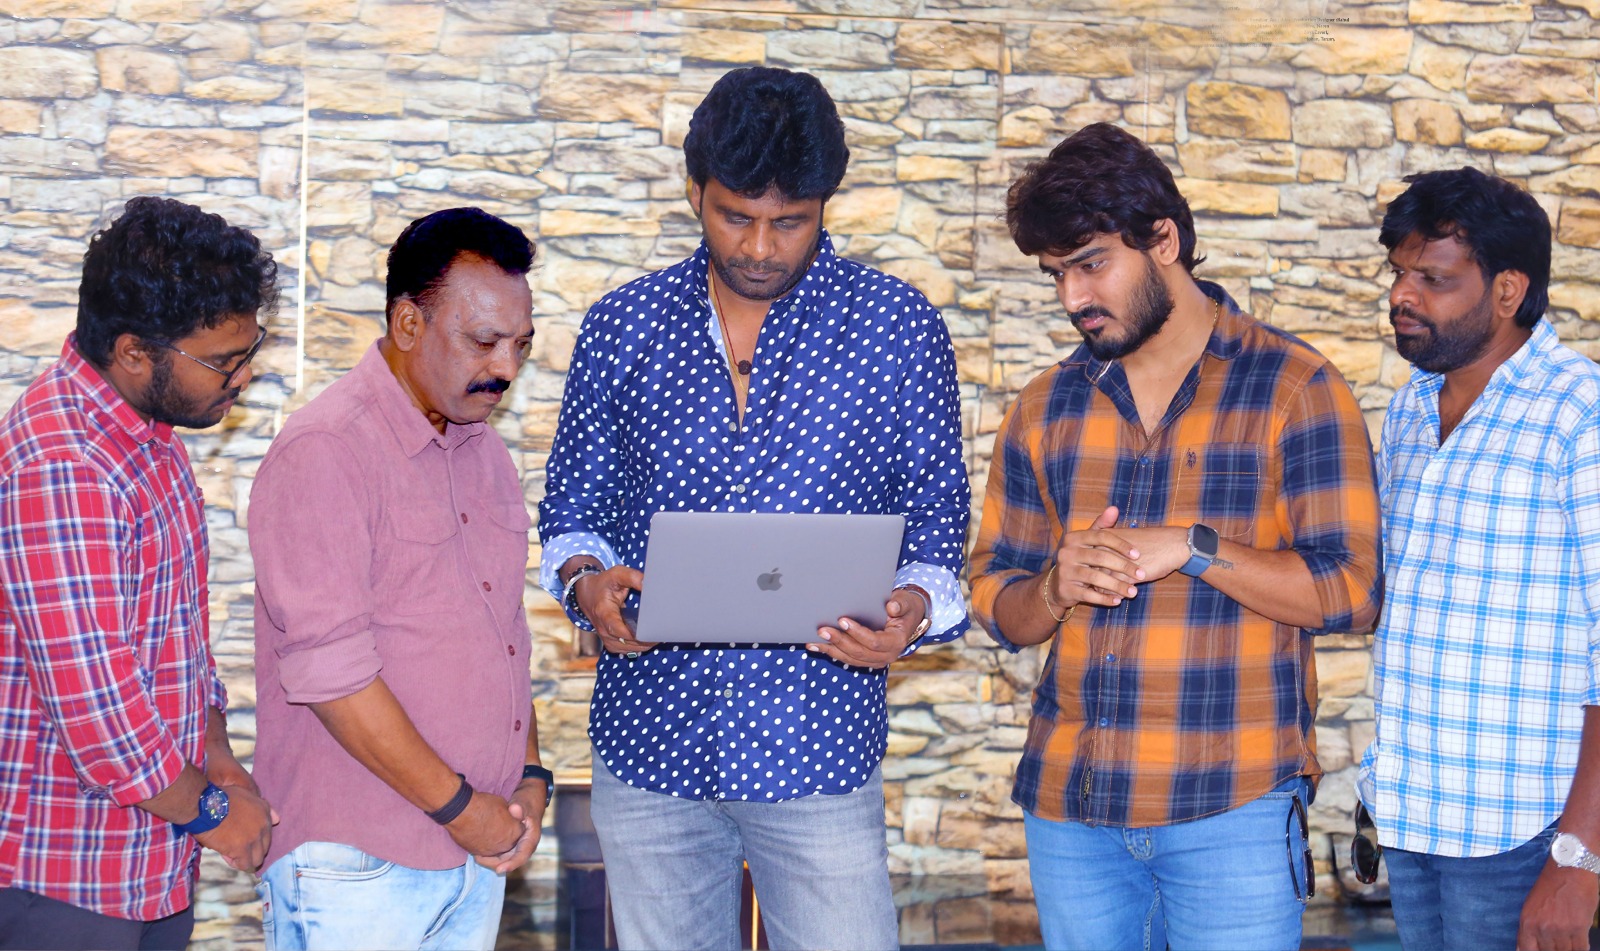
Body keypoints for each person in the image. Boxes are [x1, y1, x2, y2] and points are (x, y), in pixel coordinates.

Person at [537, 66, 969, 951]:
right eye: (736, 217)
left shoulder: (898, 326)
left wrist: (912, 610)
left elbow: (937, 516)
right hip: (650, 740)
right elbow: (573, 509)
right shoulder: (623, 325)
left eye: (791, 221)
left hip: (817, 741)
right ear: (695, 192)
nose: (762, 247)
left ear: (826, 205)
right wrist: (586, 583)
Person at [968, 123, 1383, 951]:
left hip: (1233, 812)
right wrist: (1051, 587)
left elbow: (1352, 591)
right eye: (1057, 274)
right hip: (1071, 813)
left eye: (1091, 264)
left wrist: (1195, 547)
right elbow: (996, 602)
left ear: (1164, 240)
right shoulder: (1045, 406)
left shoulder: (1294, 387)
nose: (1073, 296)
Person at [249, 207, 549, 951]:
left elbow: (503, 634)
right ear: (408, 323)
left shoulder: (483, 451)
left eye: (521, 345)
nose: (506, 369)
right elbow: (331, 675)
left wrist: (531, 777)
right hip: (356, 865)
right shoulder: (327, 449)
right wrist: (462, 809)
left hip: (475, 854)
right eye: (484, 341)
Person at [0, 196, 278, 949]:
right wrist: (213, 814)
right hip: (63, 879)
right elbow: (95, 707)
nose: (243, 376)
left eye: (248, 351)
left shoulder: (151, 441)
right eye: (223, 360)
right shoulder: (63, 463)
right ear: (132, 352)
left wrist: (217, 758)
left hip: (150, 858)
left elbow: (176, 639)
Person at [1357, 168, 1600, 951]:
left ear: (1507, 290)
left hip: (1525, 833)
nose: (1402, 294)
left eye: (1433, 278)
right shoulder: (1408, 409)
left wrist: (1580, 857)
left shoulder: (1580, 412)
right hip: (1414, 818)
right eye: (1399, 272)